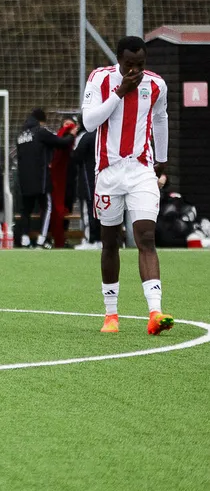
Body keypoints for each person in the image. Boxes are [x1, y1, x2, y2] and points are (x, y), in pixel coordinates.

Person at [81, 36, 174, 336]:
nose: (134, 70)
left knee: (145, 235)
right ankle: (111, 315)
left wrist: (162, 158)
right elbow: (89, 122)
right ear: (118, 60)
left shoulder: (157, 85)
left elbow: (160, 118)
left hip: (141, 170)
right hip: (107, 173)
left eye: (140, 65)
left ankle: (155, 312)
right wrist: (119, 93)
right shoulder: (100, 79)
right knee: (110, 241)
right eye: (128, 64)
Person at [14, 108, 73, 248]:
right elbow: (61, 143)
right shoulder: (40, 132)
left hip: (24, 180)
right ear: (41, 121)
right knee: (47, 207)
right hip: (41, 180)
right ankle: (42, 238)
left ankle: (24, 239)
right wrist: (71, 134)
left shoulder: (20, 135)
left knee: (25, 210)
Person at [69, 121, 100, 248]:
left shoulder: (87, 136)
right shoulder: (106, 134)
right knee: (101, 210)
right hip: (104, 179)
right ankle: (100, 240)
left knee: (89, 209)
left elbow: (76, 156)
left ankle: (90, 240)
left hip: (88, 178)